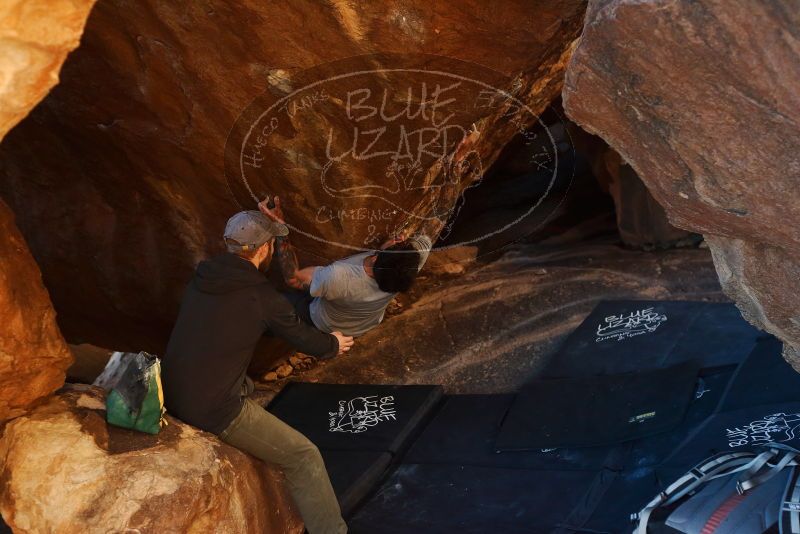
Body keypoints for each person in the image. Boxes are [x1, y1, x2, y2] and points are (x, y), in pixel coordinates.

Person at [161, 210, 352, 534]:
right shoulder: (262, 297)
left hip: (171, 386)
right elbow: (306, 340)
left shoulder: (203, 277)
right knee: (304, 456)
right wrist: (333, 343)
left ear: (228, 243)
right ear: (263, 250)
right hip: (210, 408)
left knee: (243, 382)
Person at [259, 196, 432, 337]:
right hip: (359, 324)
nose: (399, 238)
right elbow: (427, 237)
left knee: (268, 308)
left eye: (397, 244)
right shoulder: (406, 271)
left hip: (324, 321)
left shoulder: (341, 277)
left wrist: (279, 226)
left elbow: (293, 278)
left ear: (375, 258)